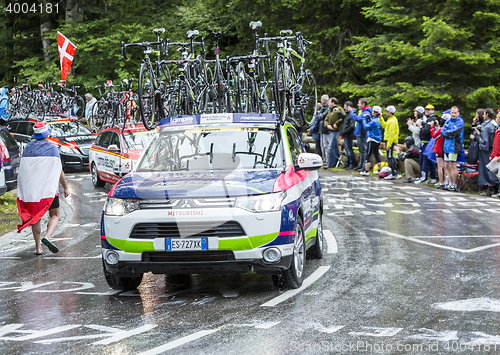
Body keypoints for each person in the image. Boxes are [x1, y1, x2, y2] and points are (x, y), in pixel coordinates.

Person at [16, 121, 70, 255]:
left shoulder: (27, 148)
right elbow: (59, 171)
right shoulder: (52, 148)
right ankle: (48, 236)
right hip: (49, 191)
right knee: (55, 215)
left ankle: (38, 247)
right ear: (47, 134)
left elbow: (24, 171)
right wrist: (66, 188)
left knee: (36, 218)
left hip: (33, 192)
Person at [474, 108, 499, 196]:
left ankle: (490, 188)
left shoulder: (488, 126)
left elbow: (485, 142)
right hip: (494, 149)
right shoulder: (495, 124)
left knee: (488, 168)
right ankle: (495, 188)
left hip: (487, 151)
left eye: (484, 114)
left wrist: (478, 135)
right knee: (494, 169)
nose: (483, 116)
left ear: (487, 115)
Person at [441, 106, 464, 191]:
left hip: (454, 146)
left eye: (455, 113)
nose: (453, 114)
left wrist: (448, 133)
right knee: (447, 165)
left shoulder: (460, 122)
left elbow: (456, 132)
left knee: (452, 165)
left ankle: (454, 184)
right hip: (446, 146)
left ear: (458, 113)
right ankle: (449, 183)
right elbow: (442, 132)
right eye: (452, 113)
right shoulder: (448, 121)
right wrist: (449, 134)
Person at [416, 104, 438, 184]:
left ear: (433, 110)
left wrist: (421, 126)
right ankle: (430, 177)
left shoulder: (431, 119)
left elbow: (426, 131)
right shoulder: (428, 119)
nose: (427, 111)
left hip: (427, 142)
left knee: (426, 160)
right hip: (426, 141)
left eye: (429, 110)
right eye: (426, 110)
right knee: (427, 160)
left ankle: (426, 176)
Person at [378, 105, 401, 179]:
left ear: (390, 112)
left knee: (390, 157)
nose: (386, 113)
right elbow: (384, 126)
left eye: (387, 111)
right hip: (388, 140)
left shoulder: (392, 121)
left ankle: (393, 173)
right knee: (389, 157)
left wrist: (389, 144)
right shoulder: (390, 119)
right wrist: (380, 118)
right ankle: (393, 173)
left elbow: (391, 134)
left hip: (390, 141)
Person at [359, 105, 383, 176]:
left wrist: (364, 120)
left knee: (368, 154)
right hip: (378, 139)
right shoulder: (378, 120)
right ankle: (379, 169)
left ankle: (366, 171)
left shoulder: (374, 121)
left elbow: (366, 126)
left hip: (372, 139)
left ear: (375, 113)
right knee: (376, 154)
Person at [324, 97, 346, 168]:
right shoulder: (330, 111)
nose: (328, 103)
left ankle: (330, 163)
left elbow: (343, 117)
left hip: (336, 130)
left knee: (330, 147)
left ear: (333, 103)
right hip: (330, 130)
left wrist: (337, 123)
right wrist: (327, 125)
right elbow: (326, 119)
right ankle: (337, 161)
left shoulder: (339, 108)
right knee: (335, 146)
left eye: (329, 102)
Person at [350, 98, 371, 171]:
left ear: (363, 104)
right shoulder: (362, 111)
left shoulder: (366, 112)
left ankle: (363, 166)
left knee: (363, 150)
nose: (358, 105)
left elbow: (358, 118)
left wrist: (351, 112)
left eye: (359, 103)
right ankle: (361, 164)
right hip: (359, 132)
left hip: (362, 133)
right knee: (361, 150)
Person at [431, 114, 448, 189]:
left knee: (440, 166)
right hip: (446, 149)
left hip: (439, 149)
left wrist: (432, 127)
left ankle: (441, 182)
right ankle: (447, 182)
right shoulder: (449, 129)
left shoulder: (441, 129)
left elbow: (434, 135)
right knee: (446, 167)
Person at [341, 101, 356, 169]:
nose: (344, 108)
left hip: (349, 134)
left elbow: (352, 126)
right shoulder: (347, 114)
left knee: (349, 149)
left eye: (345, 106)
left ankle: (352, 163)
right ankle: (347, 162)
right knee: (347, 149)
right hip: (345, 134)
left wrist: (345, 131)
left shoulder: (352, 115)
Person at [316, 94, 330, 166]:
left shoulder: (327, 108)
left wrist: (320, 115)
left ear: (325, 100)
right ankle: (324, 159)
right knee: (322, 145)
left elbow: (322, 116)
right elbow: (319, 116)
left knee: (326, 145)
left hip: (325, 129)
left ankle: (327, 160)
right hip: (322, 129)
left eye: (322, 99)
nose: (321, 101)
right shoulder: (323, 108)